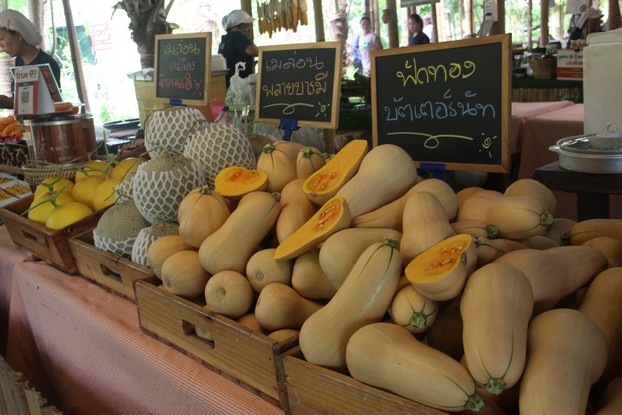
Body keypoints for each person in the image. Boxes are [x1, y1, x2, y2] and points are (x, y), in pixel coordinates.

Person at [0, 9, 62, 109]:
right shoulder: (19, 61)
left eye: (1, 39)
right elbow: (22, 100)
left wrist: (7, 102)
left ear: (19, 36)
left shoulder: (46, 63)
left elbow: (50, 104)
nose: (1, 45)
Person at [218, 9, 259, 88]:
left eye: (249, 26)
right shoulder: (236, 35)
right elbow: (254, 51)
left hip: (230, 86)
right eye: (245, 27)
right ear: (236, 28)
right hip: (239, 88)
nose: (249, 30)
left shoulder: (226, 39)